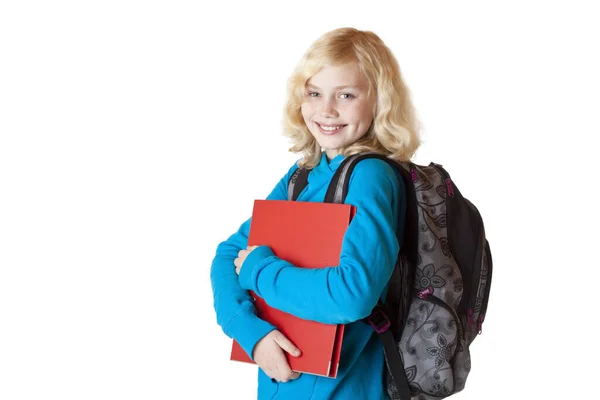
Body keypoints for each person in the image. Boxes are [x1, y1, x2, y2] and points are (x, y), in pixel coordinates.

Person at [210, 27, 421, 400]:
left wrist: (259, 270)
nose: (326, 110)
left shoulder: (370, 176)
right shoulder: (304, 172)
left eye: (346, 95)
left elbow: (350, 295)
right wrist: (250, 333)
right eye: (314, 93)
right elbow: (228, 255)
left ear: (380, 100)